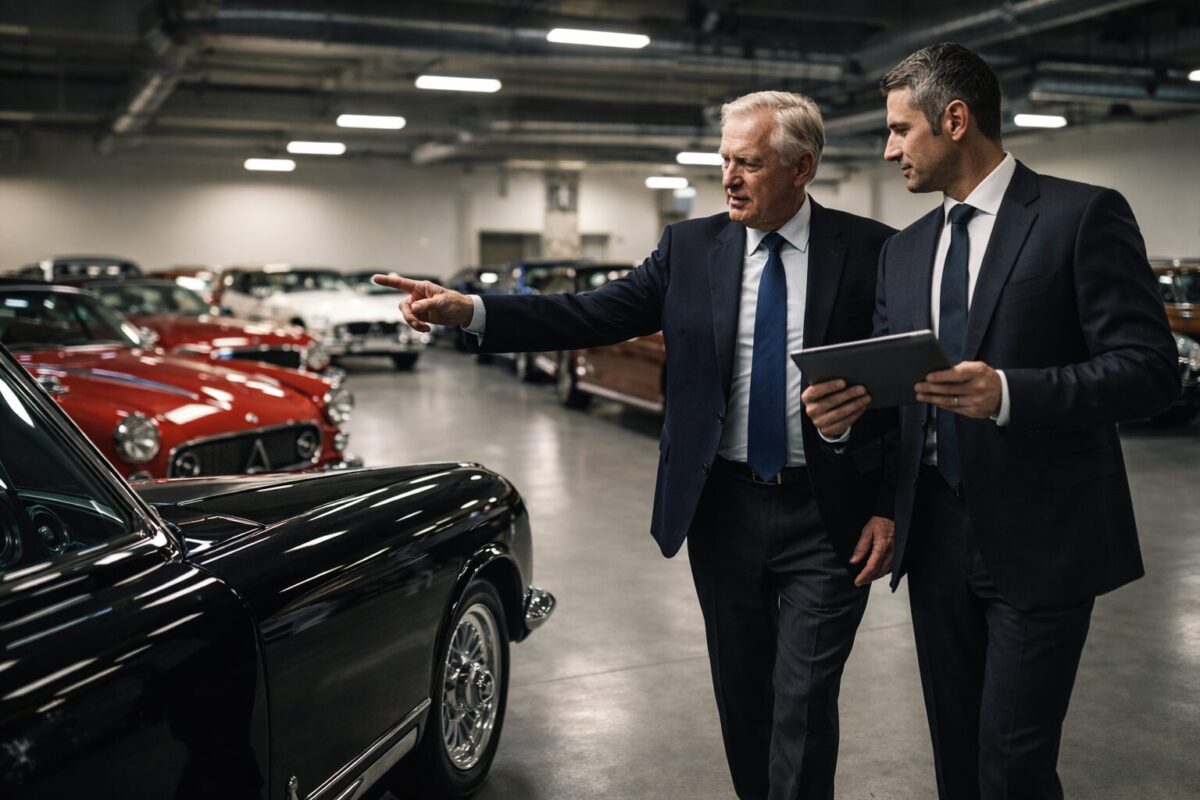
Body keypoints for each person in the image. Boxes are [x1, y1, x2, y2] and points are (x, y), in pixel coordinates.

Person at [375, 91, 896, 800]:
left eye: (749, 162)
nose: (730, 177)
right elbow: (591, 312)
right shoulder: (690, 248)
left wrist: (891, 504)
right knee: (743, 693)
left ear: (801, 167)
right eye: (724, 161)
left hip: (826, 513)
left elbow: (899, 389)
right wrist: (471, 310)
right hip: (724, 509)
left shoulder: (869, 251)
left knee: (804, 698)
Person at [802, 43, 1179, 800]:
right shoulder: (905, 253)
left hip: (1044, 535)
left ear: (955, 119)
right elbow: (901, 405)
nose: (888, 149)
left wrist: (1009, 392)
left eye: (901, 130)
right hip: (934, 537)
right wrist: (844, 421)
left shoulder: (1080, 216)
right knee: (957, 756)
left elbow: (1149, 371)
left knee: (1012, 763)